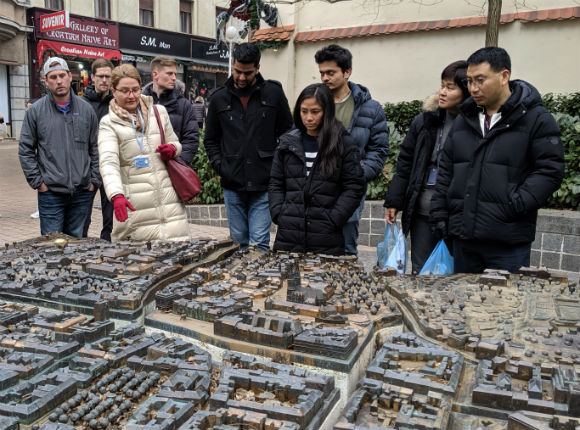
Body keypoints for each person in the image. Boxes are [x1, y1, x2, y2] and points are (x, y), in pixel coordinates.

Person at [430, 47, 564, 273]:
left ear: (504, 76)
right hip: (464, 238)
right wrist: (441, 214)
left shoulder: (536, 119)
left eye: (480, 80)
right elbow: (446, 171)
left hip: (508, 242)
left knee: (505, 305)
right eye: (470, 81)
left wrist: (515, 203)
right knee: (463, 304)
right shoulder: (465, 120)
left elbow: (550, 170)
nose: (473, 88)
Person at [204, 42, 293, 251]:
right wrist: (221, 166)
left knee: (260, 242)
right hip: (232, 182)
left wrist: (277, 167)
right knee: (238, 243)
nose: (242, 78)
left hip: (264, 182)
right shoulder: (218, 98)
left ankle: (260, 283)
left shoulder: (273, 93)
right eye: (237, 71)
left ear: (258, 68)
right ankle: (241, 284)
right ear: (232, 65)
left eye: (248, 73)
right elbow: (211, 140)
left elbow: (288, 133)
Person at [384, 61, 469, 274]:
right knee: (421, 271)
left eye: (450, 87)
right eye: (442, 85)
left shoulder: (473, 125)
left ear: (466, 90)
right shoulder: (424, 121)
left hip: (455, 213)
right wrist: (395, 200)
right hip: (422, 209)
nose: (442, 92)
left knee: (453, 274)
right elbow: (405, 163)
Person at [97, 64, 190, 242]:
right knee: (140, 264)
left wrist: (172, 149)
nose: (131, 96)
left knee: (177, 262)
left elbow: (175, 143)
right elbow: (108, 162)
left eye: (134, 90)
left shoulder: (159, 112)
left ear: (141, 88)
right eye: (124, 91)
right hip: (137, 208)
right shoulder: (108, 123)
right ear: (113, 91)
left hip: (169, 204)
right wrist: (116, 195)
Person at [269, 84, 365, 255]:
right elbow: (276, 182)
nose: (308, 118)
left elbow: (354, 186)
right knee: (286, 280)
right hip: (289, 234)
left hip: (326, 237)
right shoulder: (287, 143)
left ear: (326, 111)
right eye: (304, 111)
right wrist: (279, 213)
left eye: (315, 112)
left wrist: (334, 219)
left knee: (322, 281)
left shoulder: (343, 143)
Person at [315, 44, 389, 256]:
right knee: (317, 249)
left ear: (347, 72)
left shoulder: (370, 108)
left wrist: (357, 174)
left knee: (347, 249)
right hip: (318, 187)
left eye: (331, 72)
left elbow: (379, 149)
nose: (325, 78)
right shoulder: (315, 102)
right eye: (321, 73)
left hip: (350, 188)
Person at [19, 57, 100, 238]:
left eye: (62, 75)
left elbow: (95, 148)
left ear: (70, 77)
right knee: (52, 247)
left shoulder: (86, 110)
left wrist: (94, 181)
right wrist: (38, 183)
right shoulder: (36, 111)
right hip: (51, 193)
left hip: (82, 192)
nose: (59, 81)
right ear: (46, 81)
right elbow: (25, 149)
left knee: (77, 243)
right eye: (53, 77)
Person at [142, 56, 199, 165]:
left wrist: (177, 164)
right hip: (145, 172)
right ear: (155, 74)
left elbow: (191, 141)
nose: (174, 78)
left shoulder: (184, 105)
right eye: (169, 73)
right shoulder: (140, 102)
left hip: (172, 170)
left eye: (175, 74)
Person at [82, 59, 115, 241]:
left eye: (107, 76)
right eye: (100, 76)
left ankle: (107, 244)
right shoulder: (82, 104)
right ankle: (82, 243)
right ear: (92, 77)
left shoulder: (116, 104)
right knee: (84, 211)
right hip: (88, 166)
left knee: (110, 212)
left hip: (110, 164)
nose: (104, 80)